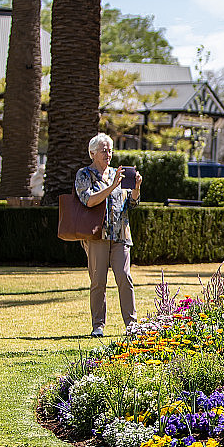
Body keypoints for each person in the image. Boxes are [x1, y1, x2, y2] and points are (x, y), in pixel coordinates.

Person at [75, 134, 142, 337]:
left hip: (121, 234)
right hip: (97, 235)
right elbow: (88, 200)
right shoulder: (84, 174)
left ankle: (131, 324)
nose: (108, 154)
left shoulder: (117, 174)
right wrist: (112, 186)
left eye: (110, 150)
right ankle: (98, 325)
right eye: (104, 150)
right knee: (98, 281)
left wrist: (136, 188)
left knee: (124, 277)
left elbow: (131, 203)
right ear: (92, 153)